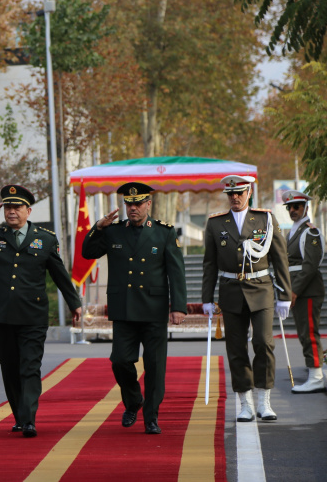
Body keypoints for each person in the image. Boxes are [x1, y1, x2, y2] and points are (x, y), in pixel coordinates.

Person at [0, 184, 81, 438]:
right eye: (7, 207)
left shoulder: (45, 238)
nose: (11, 212)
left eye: (16, 207)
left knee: (30, 366)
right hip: (1, 313)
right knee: (9, 365)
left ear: (28, 210)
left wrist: (74, 303)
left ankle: (29, 419)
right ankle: (19, 414)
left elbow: (59, 273)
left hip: (32, 313)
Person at [81, 182, 187, 435]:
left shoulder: (164, 233)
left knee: (154, 366)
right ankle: (133, 401)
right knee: (119, 361)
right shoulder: (114, 232)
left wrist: (179, 306)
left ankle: (151, 417)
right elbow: (87, 252)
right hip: (124, 309)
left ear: (148, 204)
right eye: (129, 204)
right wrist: (98, 227)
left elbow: (176, 272)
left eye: (138, 203)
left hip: (154, 309)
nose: (133, 208)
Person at [201, 175, 292, 422]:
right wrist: (206, 298)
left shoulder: (265, 219)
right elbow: (209, 263)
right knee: (236, 348)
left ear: (249, 192)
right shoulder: (216, 223)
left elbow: (279, 258)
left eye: (239, 192)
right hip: (230, 289)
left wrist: (284, 294)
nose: (235, 197)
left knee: (263, 343)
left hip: (261, 288)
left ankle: (264, 400)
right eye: (230, 194)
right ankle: (245, 403)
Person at [282, 189, 326, 393]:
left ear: (305, 207)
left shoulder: (311, 231)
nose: (292, 210)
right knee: (303, 333)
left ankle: (316, 376)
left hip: (307, 290)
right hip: (298, 289)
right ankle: (314, 372)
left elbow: (309, 266)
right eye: (289, 207)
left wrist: (294, 291)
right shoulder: (293, 231)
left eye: (296, 206)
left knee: (308, 332)